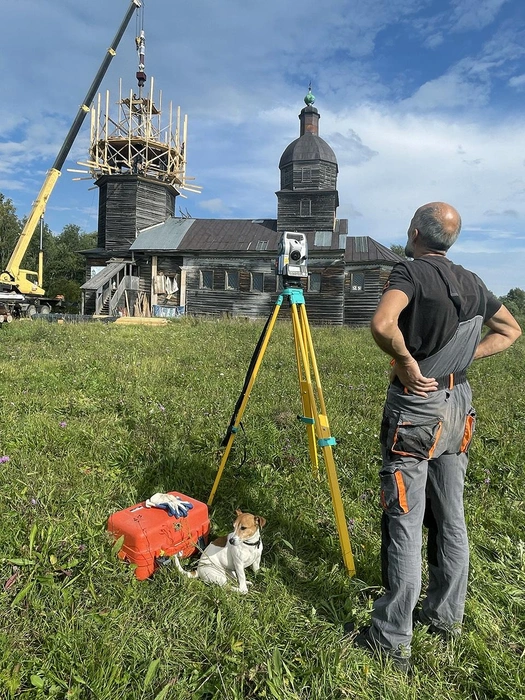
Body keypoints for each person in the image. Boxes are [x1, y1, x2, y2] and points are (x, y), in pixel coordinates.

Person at [347, 202, 521, 670]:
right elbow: (510, 330)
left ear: (414, 232)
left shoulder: (409, 271)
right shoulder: (471, 280)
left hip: (417, 409)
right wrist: (462, 364)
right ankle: (445, 618)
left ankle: (390, 639)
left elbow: (383, 324)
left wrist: (406, 362)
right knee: (451, 514)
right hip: (459, 406)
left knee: (404, 516)